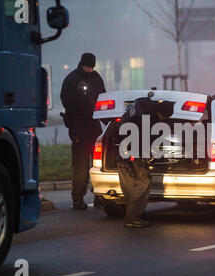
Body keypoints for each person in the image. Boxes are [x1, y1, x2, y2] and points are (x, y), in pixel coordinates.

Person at [103, 95, 175, 228]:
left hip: (121, 152)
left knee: (130, 187)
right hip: (132, 155)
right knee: (142, 184)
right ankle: (133, 218)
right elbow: (142, 140)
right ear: (162, 115)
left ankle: (137, 213)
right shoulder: (147, 120)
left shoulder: (141, 105)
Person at [60, 53, 106, 210]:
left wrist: (108, 119)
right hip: (78, 125)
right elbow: (67, 102)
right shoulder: (72, 79)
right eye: (88, 67)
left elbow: (103, 99)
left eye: (92, 67)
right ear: (82, 64)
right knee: (80, 164)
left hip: (93, 125)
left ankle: (100, 195)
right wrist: (79, 95)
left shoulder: (96, 78)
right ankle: (78, 198)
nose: (90, 70)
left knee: (99, 163)